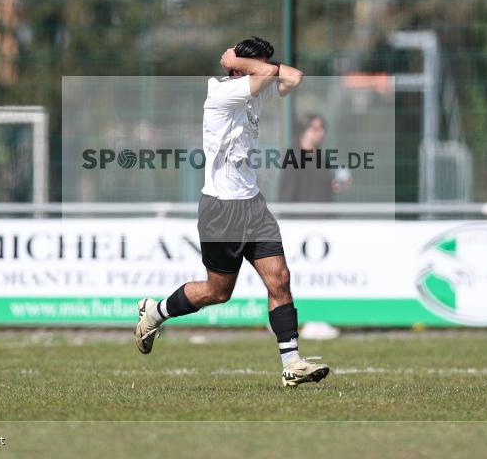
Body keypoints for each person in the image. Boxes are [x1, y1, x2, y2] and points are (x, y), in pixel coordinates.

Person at [134, 36, 330, 387]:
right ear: (240, 69)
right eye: (259, 65)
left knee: (280, 278)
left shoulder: (254, 86)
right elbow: (271, 73)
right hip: (221, 209)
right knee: (217, 292)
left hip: (253, 205)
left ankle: (292, 363)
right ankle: (156, 310)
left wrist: (244, 62)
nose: (268, 72)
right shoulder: (222, 93)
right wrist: (236, 62)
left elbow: (294, 77)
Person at [278, 113, 351, 203]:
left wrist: (336, 185)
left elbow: (320, 186)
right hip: (304, 216)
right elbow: (286, 195)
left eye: (322, 128)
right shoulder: (293, 158)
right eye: (315, 129)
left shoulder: (320, 157)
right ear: (303, 132)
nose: (321, 132)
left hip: (325, 215)